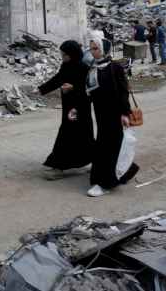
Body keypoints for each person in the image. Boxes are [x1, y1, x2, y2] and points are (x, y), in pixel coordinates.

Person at [85, 37, 139, 197]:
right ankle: (127, 170)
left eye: (95, 48)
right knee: (104, 144)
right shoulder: (93, 67)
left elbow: (123, 92)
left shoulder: (114, 67)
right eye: (91, 48)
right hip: (100, 113)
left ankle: (106, 183)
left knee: (110, 146)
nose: (92, 52)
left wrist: (125, 113)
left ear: (104, 49)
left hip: (114, 113)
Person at [38, 41, 93, 176]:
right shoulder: (66, 66)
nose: (62, 56)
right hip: (69, 106)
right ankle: (79, 162)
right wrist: (41, 89)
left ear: (72, 54)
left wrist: (73, 88)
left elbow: (90, 89)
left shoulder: (83, 68)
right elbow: (58, 79)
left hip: (80, 108)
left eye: (64, 54)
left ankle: (59, 166)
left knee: (69, 134)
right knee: (73, 134)